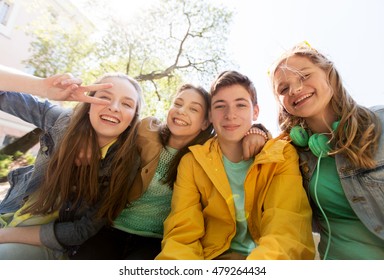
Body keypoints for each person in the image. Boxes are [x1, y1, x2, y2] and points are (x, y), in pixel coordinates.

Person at [70, 83, 270, 259]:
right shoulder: (145, 132)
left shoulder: (203, 157)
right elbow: (110, 127)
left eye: (193, 109)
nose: (182, 111)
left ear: (205, 122)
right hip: (112, 228)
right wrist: (85, 138)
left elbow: (235, 133)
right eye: (178, 103)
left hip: (155, 241)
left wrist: (258, 130)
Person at [156, 70, 315, 260]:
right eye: (220, 106)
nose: (230, 115)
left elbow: (286, 228)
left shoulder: (281, 154)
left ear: (255, 111)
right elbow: (182, 234)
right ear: (211, 116)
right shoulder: (192, 162)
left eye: (240, 105)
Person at [0, 71, 143, 259]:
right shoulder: (62, 122)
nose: (114, 107)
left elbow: (82, 229)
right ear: (88, 104)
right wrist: (43, 87)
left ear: (134, 117)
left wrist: (5, 235)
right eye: (105, 98)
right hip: (10, 214)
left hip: (47, 244)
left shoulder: (126, 162)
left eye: (127, 104)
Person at [268, 42, 384, 260]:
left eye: (303, 76)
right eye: (283, 89)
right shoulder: (294, 152)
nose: (294, 90)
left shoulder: (380, 122)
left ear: (329, 74)